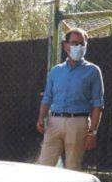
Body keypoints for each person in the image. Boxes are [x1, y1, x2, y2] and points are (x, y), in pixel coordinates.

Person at [36, 28, 104, 170]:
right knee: (43, 166)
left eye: (81, 43)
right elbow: (47, 97)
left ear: (86, 46)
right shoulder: (55, 71)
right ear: (65, 46)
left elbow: (98, 104)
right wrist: (41, 118)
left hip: (78, 123)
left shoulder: (93, 71)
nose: (78, 47)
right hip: (54, 122)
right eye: (74, 43)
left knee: (72, 167)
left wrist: (92, 132)